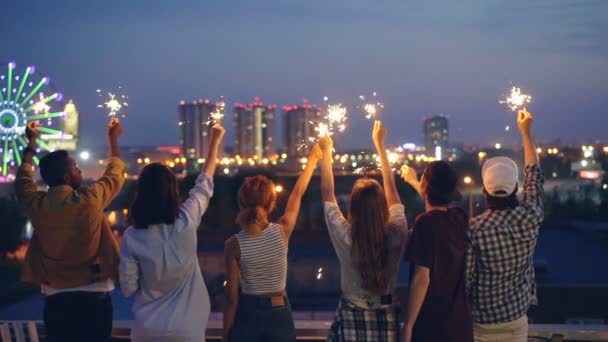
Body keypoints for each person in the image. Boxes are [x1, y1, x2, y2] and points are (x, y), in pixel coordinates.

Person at [15, 119, 125, 342]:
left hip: (56, 299)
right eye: (75, 167)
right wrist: (113, 139)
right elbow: (115, 174)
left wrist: (31, 146)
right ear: (67, 177)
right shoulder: (90, 199)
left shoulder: (37, 205)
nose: (80, 170)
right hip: (95, 296)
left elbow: (23, 180)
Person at [118, 123, 225, 342]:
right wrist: (214, 141)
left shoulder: (132, 236)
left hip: (147, 329)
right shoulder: (186, 220)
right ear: (172, 190)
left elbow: (128, 288)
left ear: (141, 194)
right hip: (188, 328)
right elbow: (204, 184)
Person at [223, 145, 322, 342]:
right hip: (278, 312)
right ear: (271, 204)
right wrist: (313, 159)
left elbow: (231, 298)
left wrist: (226, 334)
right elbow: (297, 193)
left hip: (247, 314)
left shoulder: (233, 244)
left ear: (241, 203)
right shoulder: (282, 231)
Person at [321, 121, 407, 342]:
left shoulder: (346, 237)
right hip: (387, 317)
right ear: (382, 207)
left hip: (352, 315)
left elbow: (328, 195)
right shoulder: (396, 233)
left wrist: (325, 154)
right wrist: (380, 145)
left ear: (354, 207)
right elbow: (393, 193)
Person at [466, 110, 544, 342]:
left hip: (480, 324)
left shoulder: (473, 229)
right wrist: (526, 133)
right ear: (515, 189)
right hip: (516, 321)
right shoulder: (531, 216)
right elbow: (534, 174)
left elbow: (466, 280)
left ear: (485, 191)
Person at [401, 161, 473, 342]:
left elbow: (421, 279)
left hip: (432, 326)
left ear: (426, 188)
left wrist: (408, 325)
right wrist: (414, 181)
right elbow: (438, 204)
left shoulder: (424, 224)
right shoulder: (459, 218)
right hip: (460, 326)